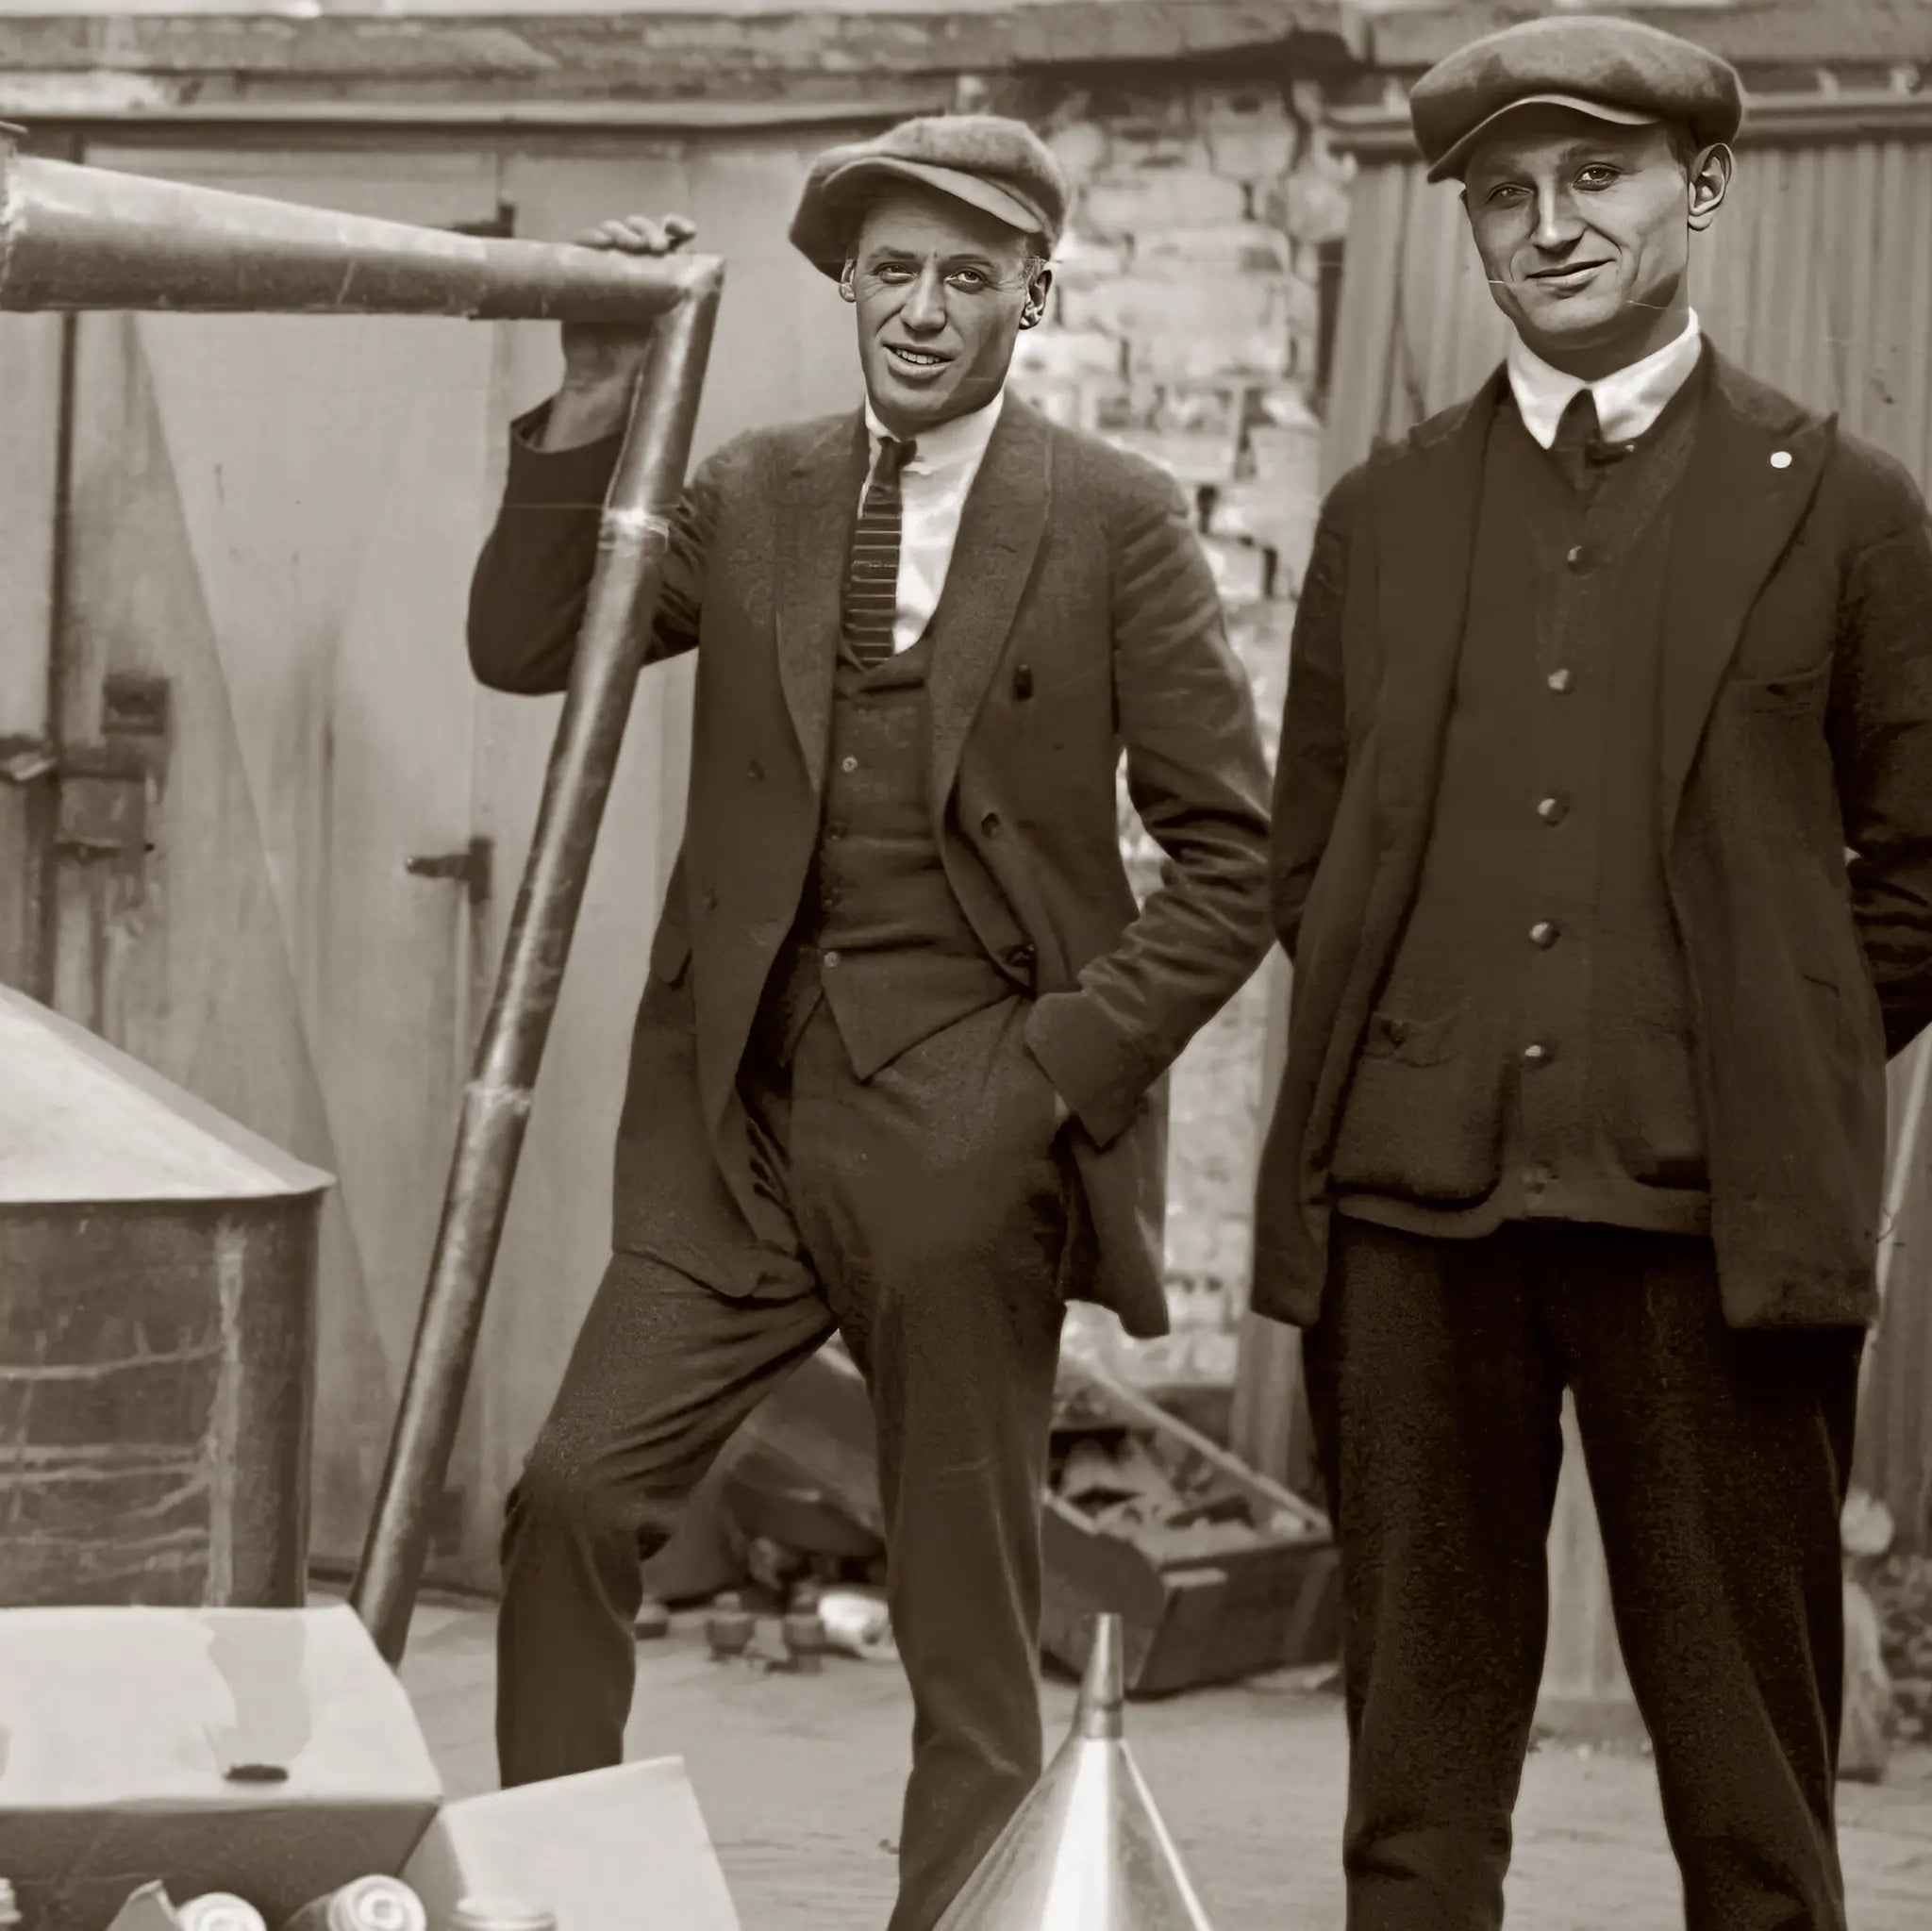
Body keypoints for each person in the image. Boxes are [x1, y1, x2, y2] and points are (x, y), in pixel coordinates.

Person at [467, 113, 1273, 1931]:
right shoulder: (749, 490)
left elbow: (1237, 864)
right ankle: (555, 1906)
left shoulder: (1119, 521)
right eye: (892, 272)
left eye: (969, 278)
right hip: (734, 1135)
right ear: (849, 285)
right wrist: (594, 391)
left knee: (966, 1624)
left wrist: (1047, 1081)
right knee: (573, 1501)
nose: (922, 311)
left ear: (1034, 297)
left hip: (967, 1137)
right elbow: (530, 645)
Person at [1252, 14, 1932, 1930]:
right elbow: (1311, 858)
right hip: (1411, 1224)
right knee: (1411, 1806)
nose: (1548, 228)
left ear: (1698, 193)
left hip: (1704, 1231)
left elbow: (1917, 871)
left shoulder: (1847, 503)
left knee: (1748, 1807)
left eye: (1597, 179)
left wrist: (1760, 1041)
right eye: (1502, 195)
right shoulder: (1380, 517)